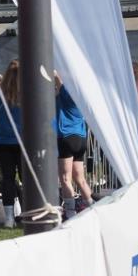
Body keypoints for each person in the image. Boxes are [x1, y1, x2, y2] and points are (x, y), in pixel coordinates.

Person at [0, 60, 23, 228]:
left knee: (7, 179)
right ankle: (28, 212)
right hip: (23, 142)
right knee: (26, 179)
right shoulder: (27, 90)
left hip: (3, 140)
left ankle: (9, 217)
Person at [54, 72, 94, 219]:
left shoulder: (67, 93)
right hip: (81, 137)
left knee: (65, 178)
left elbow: (57, 78)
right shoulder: (81, 97)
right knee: (80, 178)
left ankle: (70, 214)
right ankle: (93, 207)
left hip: (67, 136)